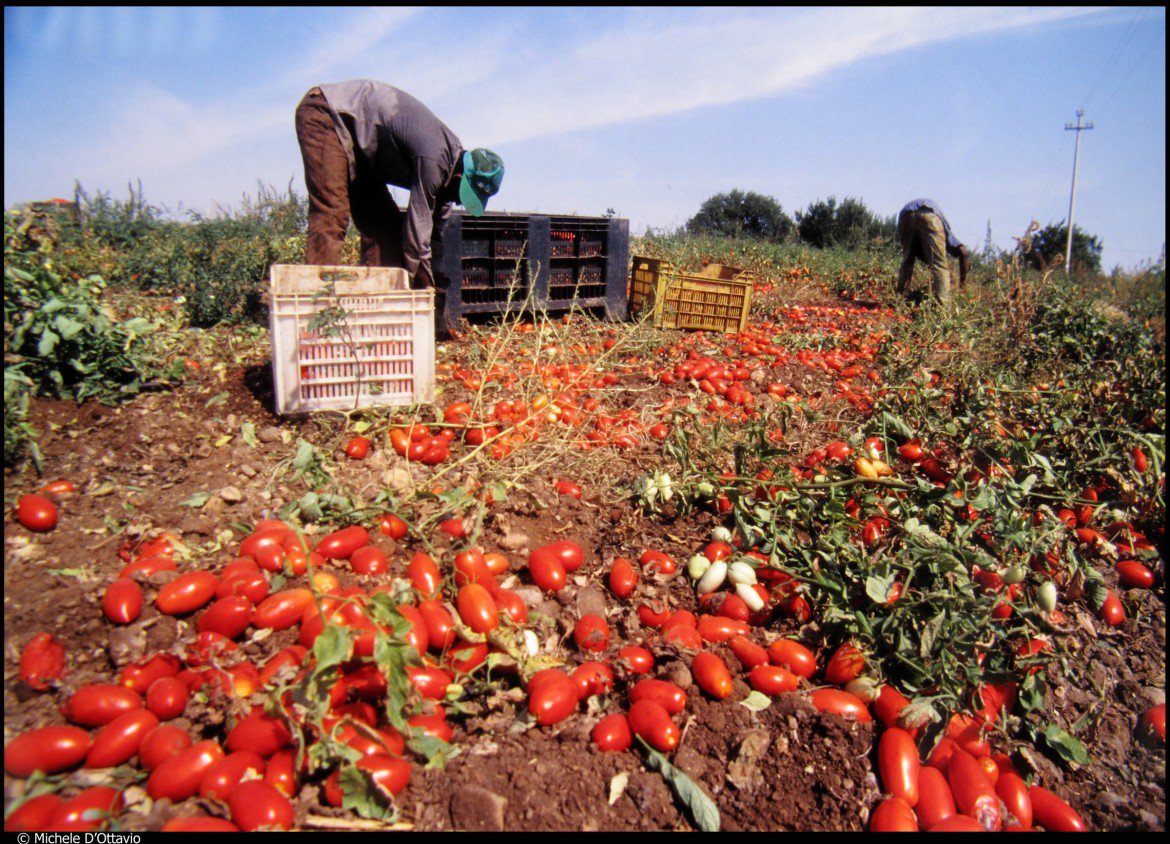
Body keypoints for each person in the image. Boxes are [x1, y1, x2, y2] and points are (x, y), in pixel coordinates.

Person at [295, 79, 504, 338]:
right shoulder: (435, 160)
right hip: (327, 115)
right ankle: (317, 322)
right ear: (461, 177)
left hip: (364, 159)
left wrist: (438, 289)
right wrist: (425, 294)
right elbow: (417, 241)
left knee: (385, 230)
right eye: (464, 195)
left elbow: (434, 240)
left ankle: (376, 328)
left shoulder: (448, 177)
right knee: (332, 212)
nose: (461, 202)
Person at [896, 198, 968, 305]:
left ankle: (900, 299)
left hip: (906, 215)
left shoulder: (922, 246)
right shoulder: (948, 235)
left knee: (907, 261)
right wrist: (962, 285)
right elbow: (964, 252)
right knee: (939, 265)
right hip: (929, 214)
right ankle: (943, 307)